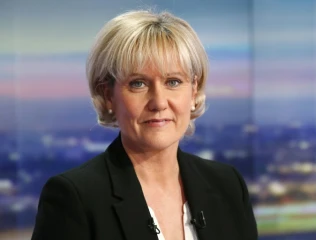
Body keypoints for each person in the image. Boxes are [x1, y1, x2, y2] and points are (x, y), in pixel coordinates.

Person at [31, 10, 258, 240]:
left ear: (193, 91)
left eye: (173, 82)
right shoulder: (75, 198)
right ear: (108, 95)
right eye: (138, 83)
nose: (159, 102)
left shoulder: (228, 185)